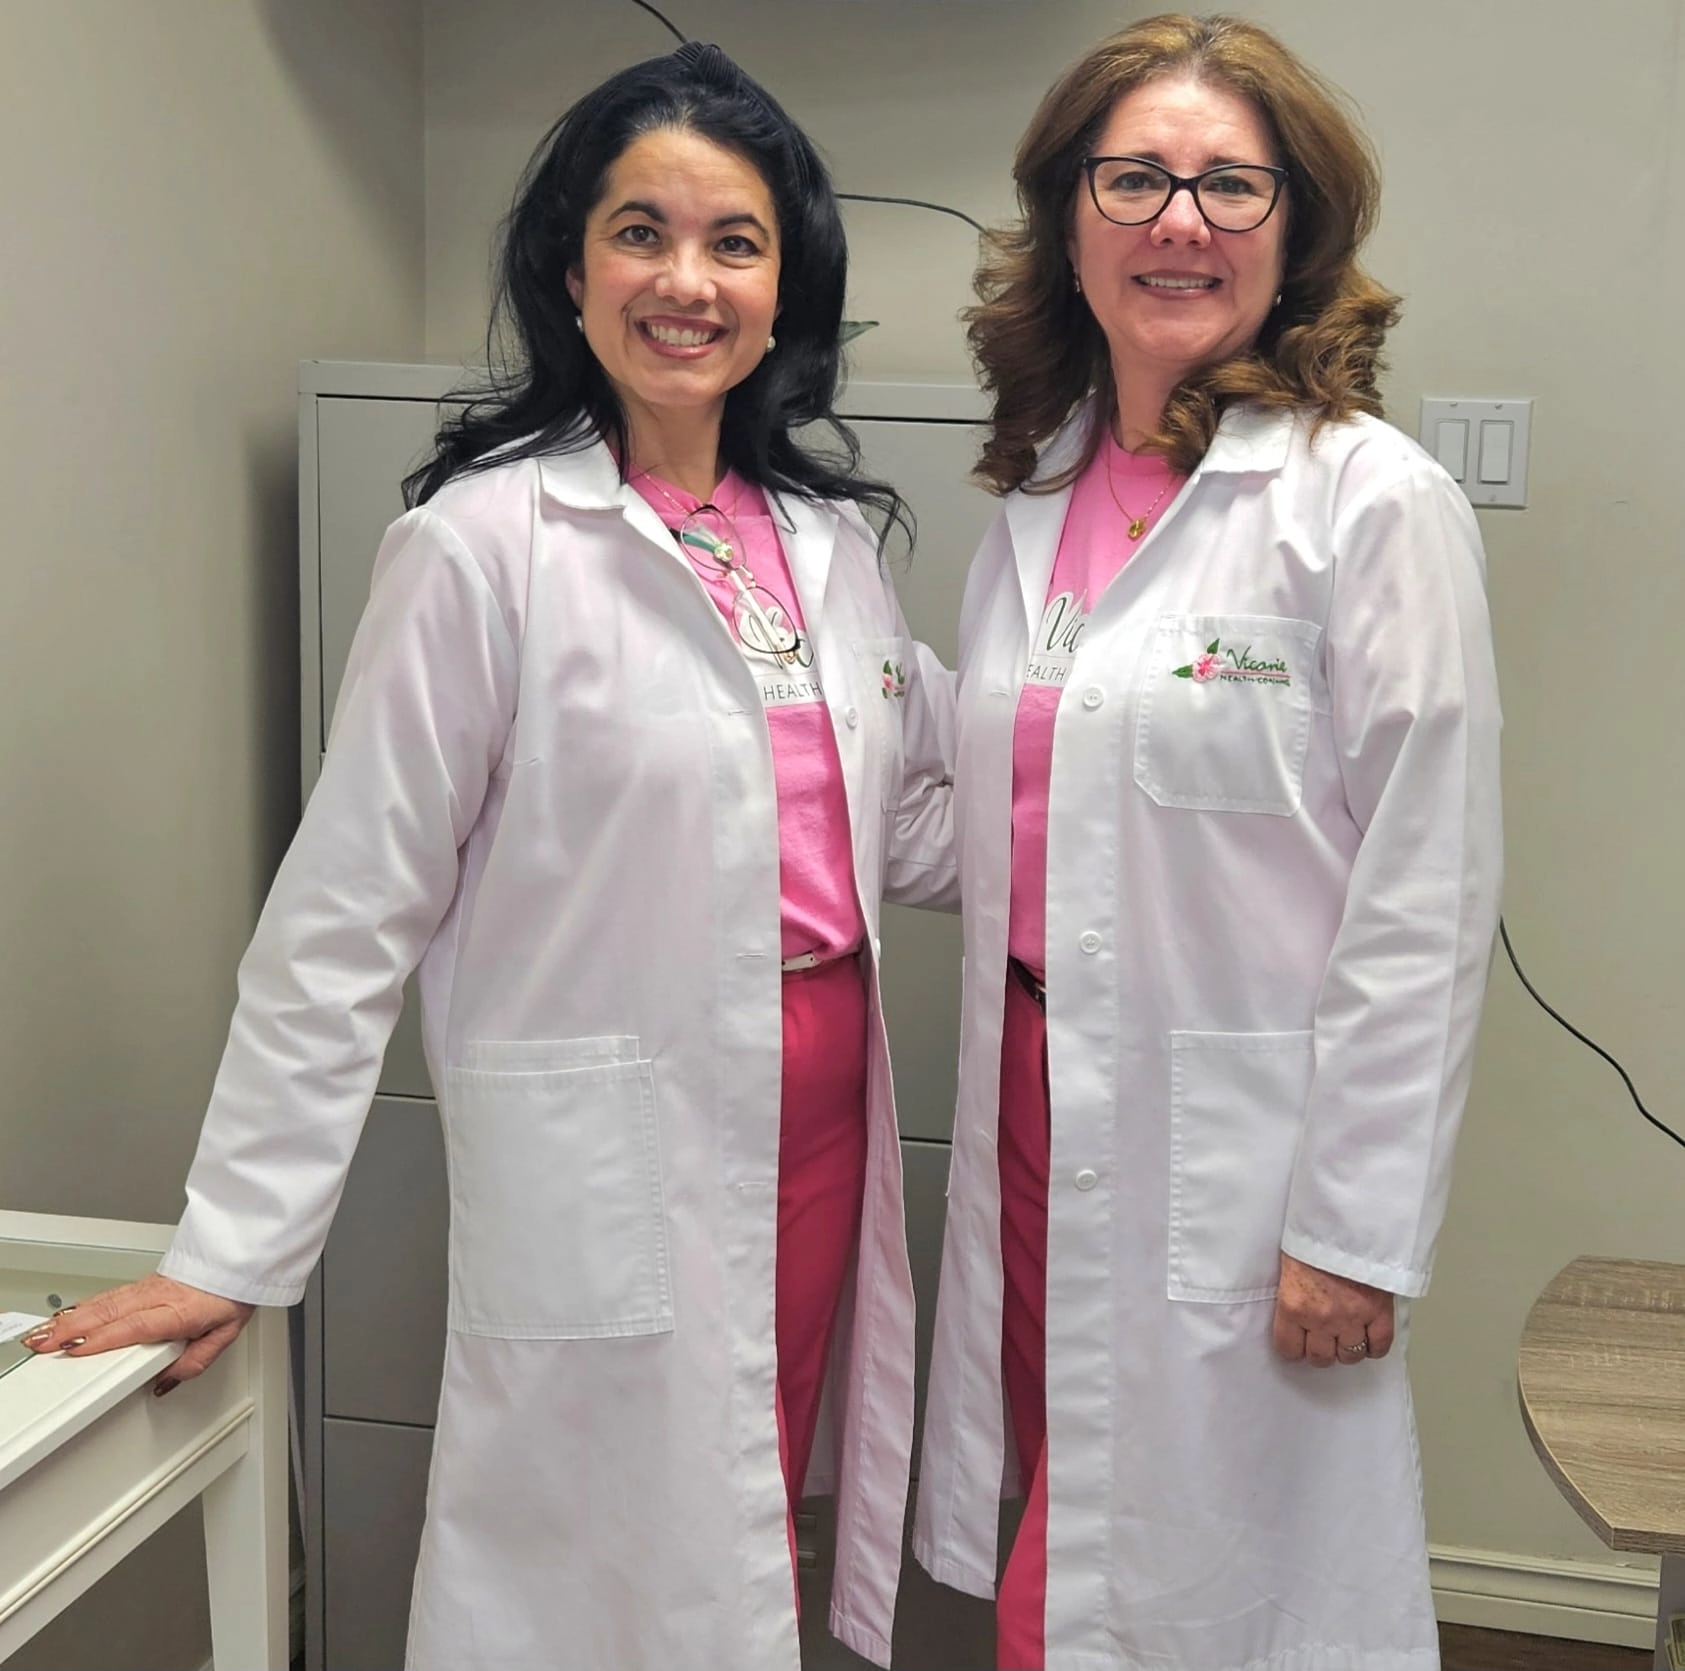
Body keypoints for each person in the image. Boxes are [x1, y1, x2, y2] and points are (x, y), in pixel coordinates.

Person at [22, 42, 955, 1671]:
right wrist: (227, 1246)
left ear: (784, 285)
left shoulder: (824, 548)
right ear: (569, 269)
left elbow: (916, 820)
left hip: (818, 1114)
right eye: (641, 232)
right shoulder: (481, 542)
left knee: (748, 1507)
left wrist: (1152, 830)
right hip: (623, 1127)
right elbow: (349, 904)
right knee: (585, 1552)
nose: (689, 278)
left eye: (735, 241)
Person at [912, 14, 1503, 1670]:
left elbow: (1428, 892)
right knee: (1068, 1527)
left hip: (1246, 1158)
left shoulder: (1366, 502)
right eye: (1137, 179)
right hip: (1038, 1110)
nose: (1182, 221)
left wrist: (1354, 1225)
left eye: (1232, 185)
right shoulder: (1033, 499)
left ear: (1294, 229)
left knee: (1241, 1583)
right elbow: (1011, 812)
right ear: (1068, 221)